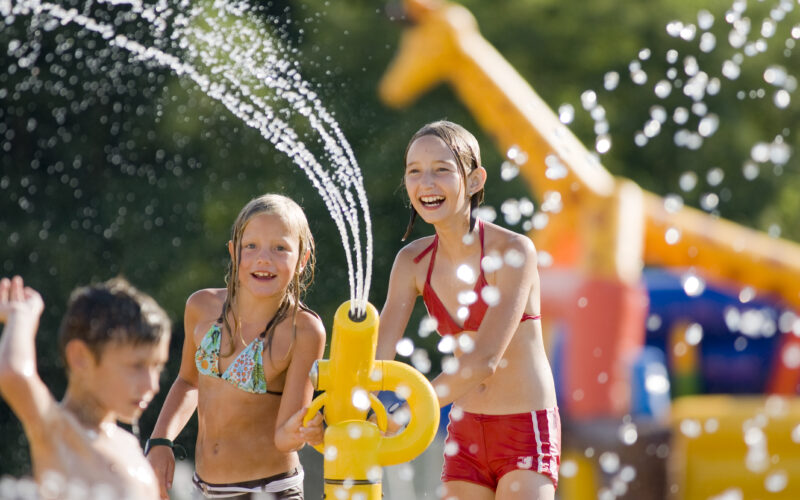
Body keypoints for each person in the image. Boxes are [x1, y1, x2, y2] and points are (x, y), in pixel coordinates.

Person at [376, 121, 560, 500]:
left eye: (441, 169)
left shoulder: (513, 251)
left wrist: (405, 410)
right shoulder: (411, 262)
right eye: (414, 172)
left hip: (524, 427)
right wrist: (342, 407)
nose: (426, 182)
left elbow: (484, 361)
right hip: (465, 431)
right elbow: (377, 355)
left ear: (475, 180)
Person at [146, 193, 326, 500]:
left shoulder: (303, 330)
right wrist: (161, 440)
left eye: (280, 248)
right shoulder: (202, 307)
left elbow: (285, 436)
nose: (263, 258)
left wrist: (301, 431)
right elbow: (188, 382)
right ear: (233, 251)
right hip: (204, 489)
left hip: (269, 491)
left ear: (302, 259)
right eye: (250, 246)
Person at [0, 275, 172, 499]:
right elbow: (14, 373)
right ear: (80, 358)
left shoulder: (127, 443)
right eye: (136, 366)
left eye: (157, 367)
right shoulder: (59, 432)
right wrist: (21, 315)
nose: (153, 385)